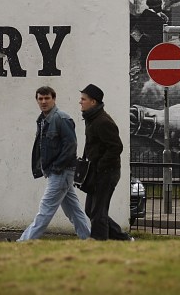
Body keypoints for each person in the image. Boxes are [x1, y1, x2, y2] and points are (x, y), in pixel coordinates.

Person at [17, 86, 90, 241]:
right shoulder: (43, 120)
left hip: (61, 172)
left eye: (47, 98)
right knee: (74, 211)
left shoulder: (61, 119)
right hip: (59, 172)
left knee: (45, 211)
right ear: (37, 100)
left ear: (54, 99)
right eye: (40, 99)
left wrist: (56, 168)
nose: (43, 102)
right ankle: (90, 239)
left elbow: (71, 146)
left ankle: (22, 243)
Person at [79, 84, 132, 241]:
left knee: (98, 210)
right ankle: (123, 239)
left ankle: (98, 242)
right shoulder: (91, 119)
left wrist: (101, 166)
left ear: (93, 102)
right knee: (91, 209)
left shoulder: (102, 121)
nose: (80, 102)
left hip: (107, 172)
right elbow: (92, 145)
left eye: (83, 99)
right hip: (95, 171)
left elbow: (116, 147)